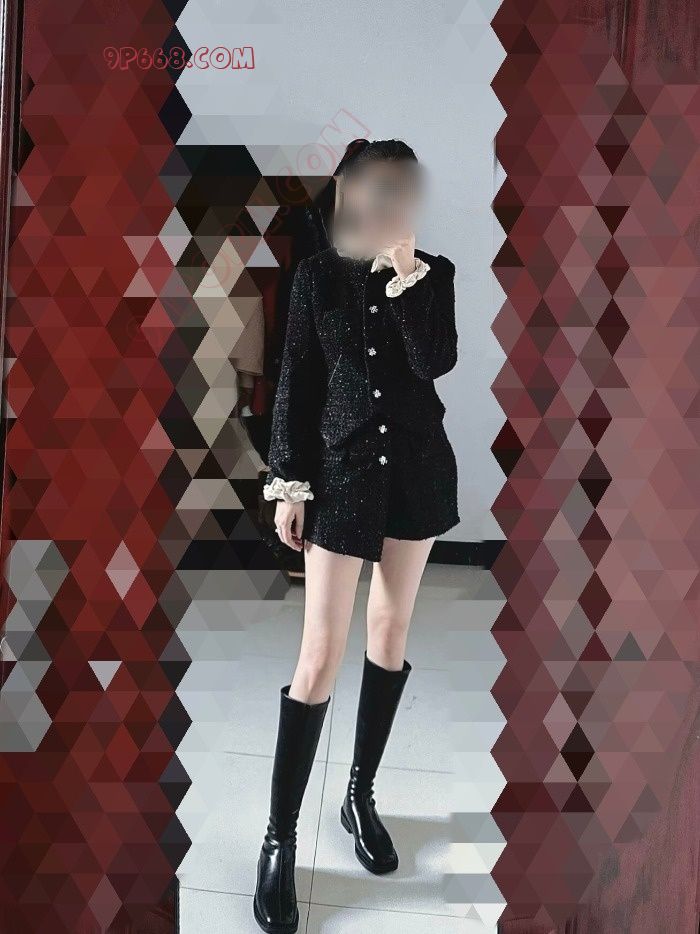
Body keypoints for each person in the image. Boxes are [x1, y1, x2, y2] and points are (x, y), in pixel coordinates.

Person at [253, 138, 460, 934]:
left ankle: (358, 795)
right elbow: (296, 380)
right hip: (340, 477)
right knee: (317, 655)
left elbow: (434, 361)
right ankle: (279, 839)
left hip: (416, 473)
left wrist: (407, 275)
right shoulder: (316, 276)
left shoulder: (432, 273)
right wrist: (289, 482)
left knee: (391, 631)